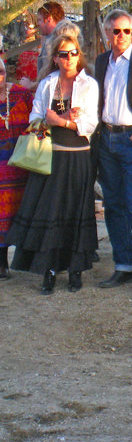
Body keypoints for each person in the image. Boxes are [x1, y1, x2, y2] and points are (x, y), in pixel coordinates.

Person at [8, 34, 99, 294]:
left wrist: (60, 120)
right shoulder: (48, 83)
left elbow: (89, 125)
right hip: (51, 156)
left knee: (76, 211)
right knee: (51, 212)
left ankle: (75, 271)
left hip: (78, 155)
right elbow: (36, 116)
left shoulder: (89, 84)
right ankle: (48, 270)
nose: (68, 58)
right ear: (56, 58)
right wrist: (61, 118)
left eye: (72, 53)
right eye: (62, 54)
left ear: (78, 55)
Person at [94, 10, 132, 292]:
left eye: (126, 31)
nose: (121, 36)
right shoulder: (102, 61)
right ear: (106, 32)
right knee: (113, 206)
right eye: (115, 31)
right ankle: (125, 266)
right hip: (108, 138)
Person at [0, 58, 34, 280]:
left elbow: (37, 121)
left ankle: (26, 260)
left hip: (21, 164)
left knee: (22, 212)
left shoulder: (21, 94)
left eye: (0, 71)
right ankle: (1, 264)